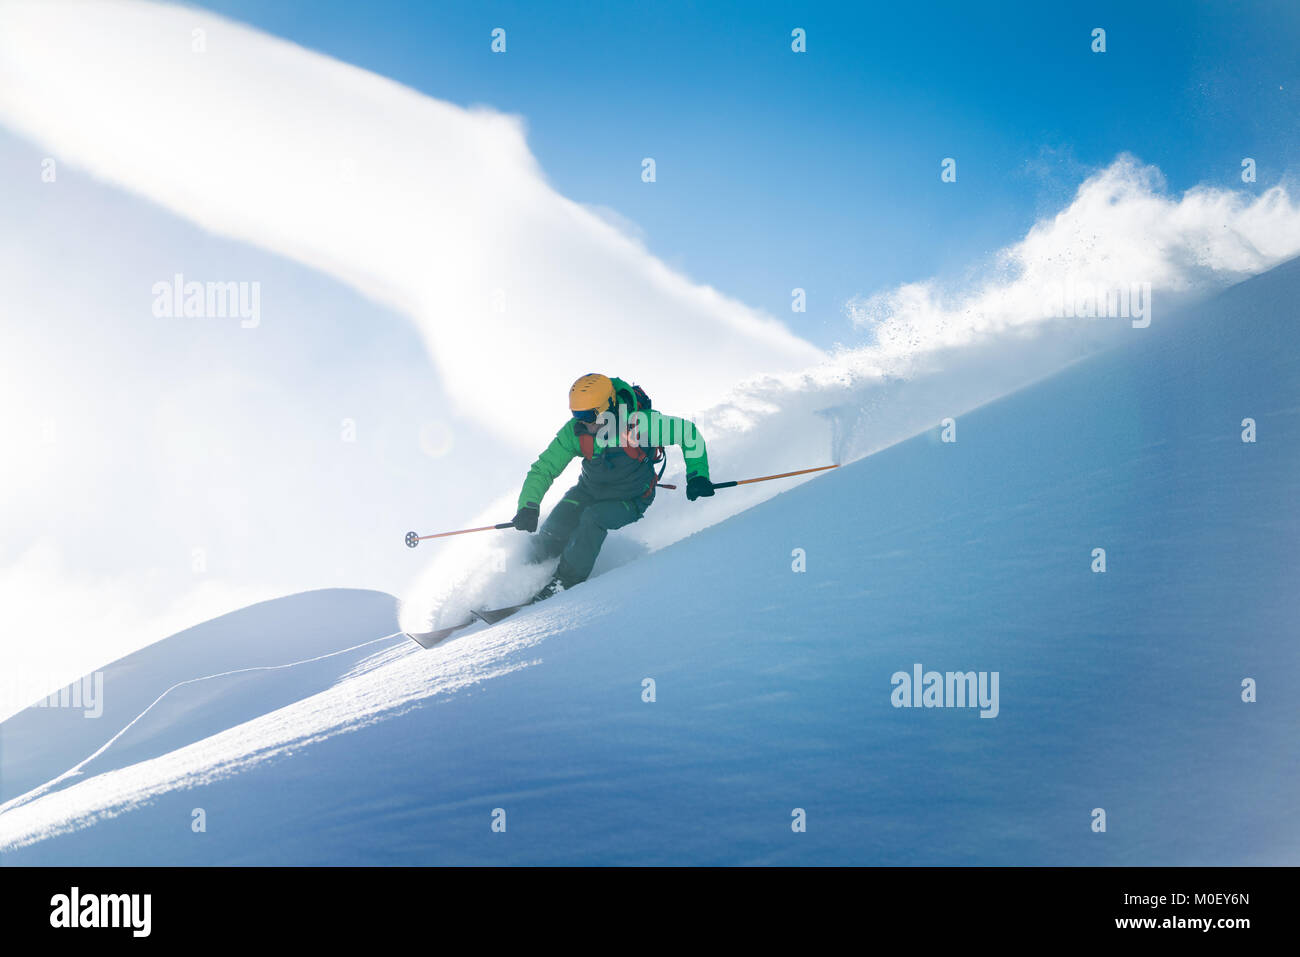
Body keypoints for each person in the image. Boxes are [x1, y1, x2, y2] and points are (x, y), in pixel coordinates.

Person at [513, 373, 714, 601]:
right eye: (577, 415)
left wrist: (698, 475)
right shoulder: (576, 431)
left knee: (593, 519)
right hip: (588, 491)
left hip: (631, 499)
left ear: (607, 406)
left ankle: (563, 585)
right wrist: (528, 506)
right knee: (555, 527)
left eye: (589, 416)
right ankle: (517, 578)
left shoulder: (641, 424)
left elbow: (688, 433)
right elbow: (544, 468)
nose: (583, 422)